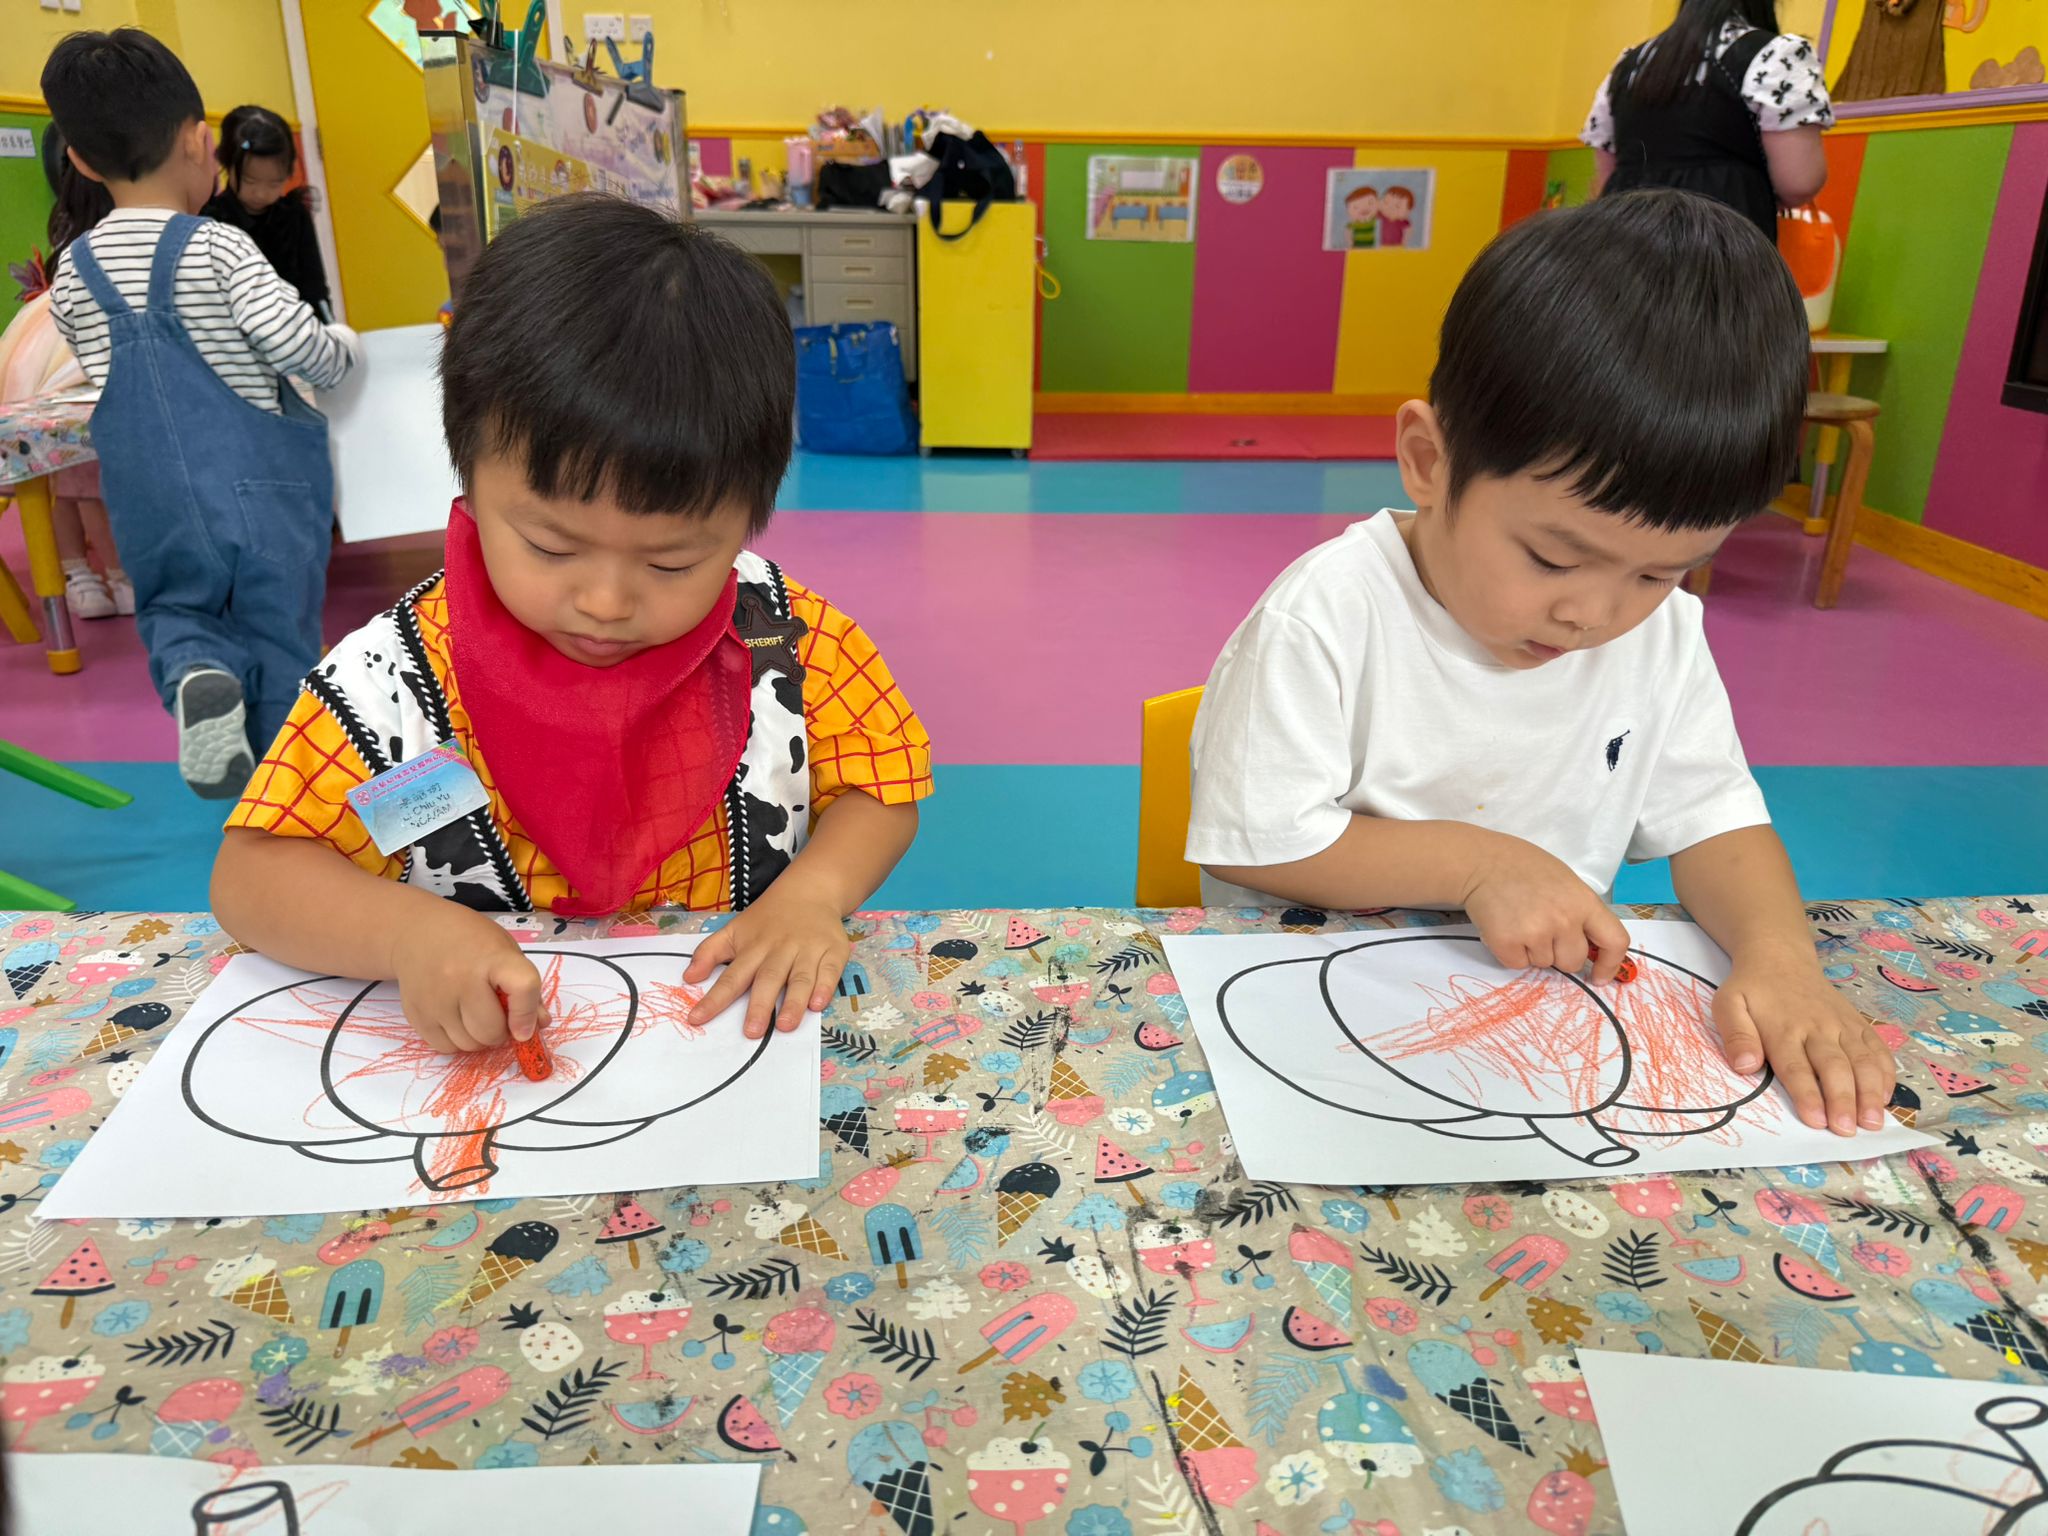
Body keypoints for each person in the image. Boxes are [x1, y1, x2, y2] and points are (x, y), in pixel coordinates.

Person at [1184, 190, 1894, 1142]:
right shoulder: (1328, 616)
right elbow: (1255, 842)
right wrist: (1484, 865)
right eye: (1554, 559)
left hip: (1529, 1020)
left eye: (1659, 572)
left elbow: (1717, 822)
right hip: (1307, 1009)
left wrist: (1782, 960)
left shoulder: (1660, 635)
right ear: (1429, 461)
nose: (1593, 614)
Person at [211, 194, 932, 1052]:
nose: (606, 601)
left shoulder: (791, 645)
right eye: (551, 546)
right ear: (470, 481)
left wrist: (813, 895)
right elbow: (252, 877)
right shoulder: (396, 684)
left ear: (748, 519)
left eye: (671, 562)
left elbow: (882, 790)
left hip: (721, 1049)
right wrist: (405, 935)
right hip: (493, 1075)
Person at [42, 30, 356, 798]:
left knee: (178, 611)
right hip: (260, 491)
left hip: (149, 500)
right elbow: (303, 350)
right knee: (279, 633)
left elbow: (101, 369)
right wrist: (346, 347)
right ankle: (287, 790)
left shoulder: (74, 273)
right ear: (198, 140)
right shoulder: (219, 248)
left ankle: (196, 673)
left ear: (81, 160)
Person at [1582, 0, 1833, 243]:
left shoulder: (1630, 64)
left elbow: (1606, 173)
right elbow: (1799, 182)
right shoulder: (1776, 54)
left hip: (1622, 239)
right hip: (1717, 239)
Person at [38, 123, 130, 620]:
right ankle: (102, 574)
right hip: (69, 374)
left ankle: (94, 573)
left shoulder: (73, 227)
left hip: (74, 373)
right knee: (77, 477)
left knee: (72, 479)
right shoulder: (83, 238)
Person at [203, 103, 332, 319]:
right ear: (227, 163)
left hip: (296, 327)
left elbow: (315, 289)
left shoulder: (295, 214)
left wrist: (326, 330)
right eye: (250, 181)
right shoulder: (212, 220)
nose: (262, 194)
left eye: (275, 183)